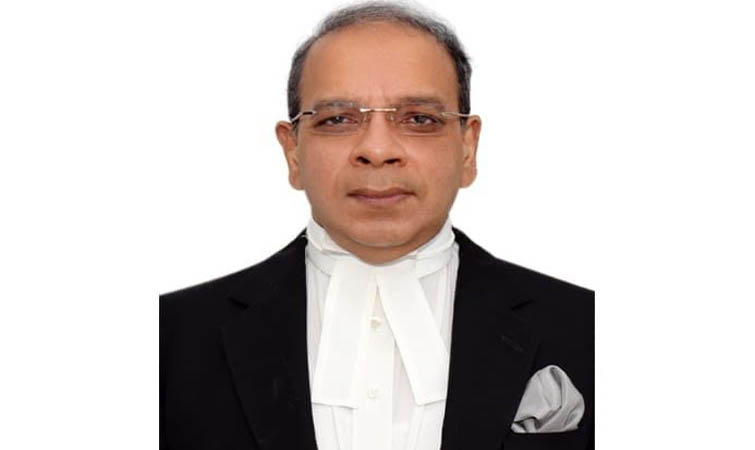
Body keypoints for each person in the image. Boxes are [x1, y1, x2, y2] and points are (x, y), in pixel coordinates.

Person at [160, 2, 594, 449]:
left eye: (419, 119)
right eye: (338, 119)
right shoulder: (168, 337)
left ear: (468, 148)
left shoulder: (590, 327)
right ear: (293, 152)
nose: (378, 150)